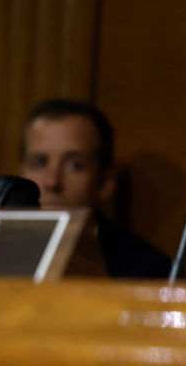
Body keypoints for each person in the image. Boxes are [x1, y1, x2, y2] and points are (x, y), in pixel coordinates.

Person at [20, 99, 171, 279]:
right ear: (21, 174)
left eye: (75, 165)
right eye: (40, 162)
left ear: (105, 182)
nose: (53, 182)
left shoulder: (154, 274)